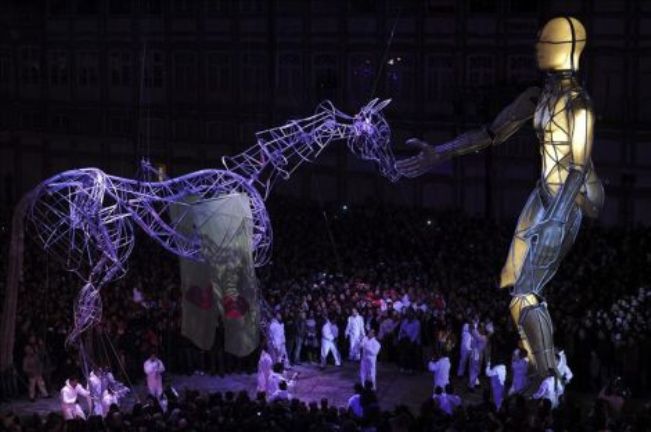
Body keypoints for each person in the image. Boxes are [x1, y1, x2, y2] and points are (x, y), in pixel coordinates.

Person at [395, 16, 603, 379]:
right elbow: (491, 133)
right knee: (513, 286)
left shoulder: (579, 105)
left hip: (572, 199)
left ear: (563, 49)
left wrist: (555, 221)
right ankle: (544, 368)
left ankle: (548, 375)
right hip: (544, 192)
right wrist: (440, 152)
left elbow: (578, 168)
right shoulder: (537, 96)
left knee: (525, 294)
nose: (537, 47)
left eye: (544, 41)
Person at [468, 324, 488, 390]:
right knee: (473, 369)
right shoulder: (478, 337)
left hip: (477, 356)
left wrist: (473, 329)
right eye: (479, 328)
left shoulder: (484, 337)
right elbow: (471, 344)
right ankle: (474, 383)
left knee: (474, 370)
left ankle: (472, 386)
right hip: (474, 354)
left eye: (481, 328)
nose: (479, 330)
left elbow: (477, 336)